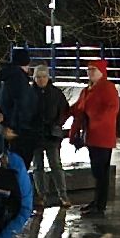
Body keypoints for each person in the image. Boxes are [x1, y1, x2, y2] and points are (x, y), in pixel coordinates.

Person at [68, 57, 120, 217]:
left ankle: (100, 204)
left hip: (102, 138)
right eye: (88, 70)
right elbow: (77, 108)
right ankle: (97, 202)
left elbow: (111, 110)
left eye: (93, 70)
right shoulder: (87, 90)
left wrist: (94, 121)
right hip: (92, 137)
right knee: (97, 172)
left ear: (101, 73)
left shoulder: (108, 88)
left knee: (101, 173)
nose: (89, 73)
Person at [30, 66, 71, 209]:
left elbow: (65, 111)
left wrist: (57, 124)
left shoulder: (56, 94)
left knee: (56, 165)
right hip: (35, 135)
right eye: (38, 77)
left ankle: (63, 195)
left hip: (51, 135)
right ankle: (41, 195)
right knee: (38, 167)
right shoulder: (29, 93)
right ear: (34, 78)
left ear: (48, 77)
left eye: (43, 77)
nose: (41, 80)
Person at [0, 46, 39, 169]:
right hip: (18, 131)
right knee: (20, 166)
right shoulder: (19, 79)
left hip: (4, 128)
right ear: (26, 63)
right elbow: (22, 106)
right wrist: (14, 128)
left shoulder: (2, 77)